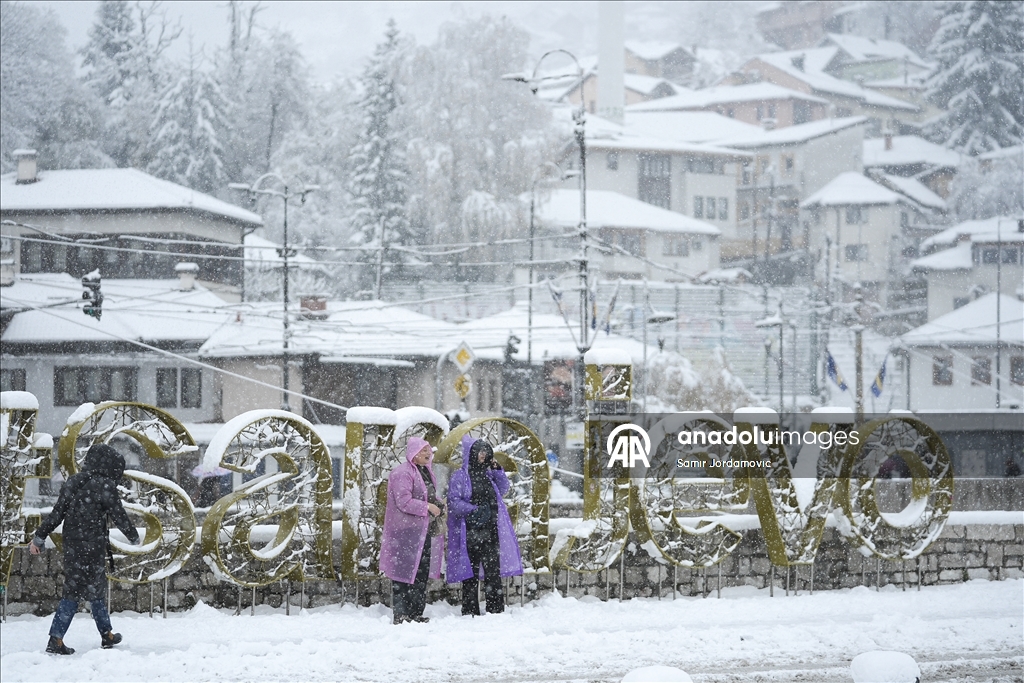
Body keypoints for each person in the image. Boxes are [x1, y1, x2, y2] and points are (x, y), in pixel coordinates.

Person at [30, 443, 140, 655]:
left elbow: (57, 513)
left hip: (72, 544)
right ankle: (62, 638)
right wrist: (133, 536)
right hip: (93, 546)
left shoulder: (74, 481)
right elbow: (119, 515)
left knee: (80, 587)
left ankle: (100, 634)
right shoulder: (106, 485)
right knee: (92, 588)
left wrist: (40, 536)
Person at [446, 435, 523, 616]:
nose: (483, 455)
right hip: (470, 531)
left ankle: (495, 609)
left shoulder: (488, 474)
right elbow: (454, 502)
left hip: (490, 530)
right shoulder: (460, 476)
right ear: (471, 453)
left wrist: (497, 471)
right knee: (470, 572)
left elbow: (503, 489)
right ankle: (470, 609)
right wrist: (474, 510)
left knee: (493, 570)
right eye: (480, 451)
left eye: (486, 451)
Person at [379, 437, 444, 625]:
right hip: (405, 532)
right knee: (404, 573)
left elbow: (427, 495)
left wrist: (438, 503)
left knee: (420, 573)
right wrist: (428, 507)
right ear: (413, 454)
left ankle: (416, 613)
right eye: (424, 450)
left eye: (429, 450)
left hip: (422, 531)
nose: (428, 453)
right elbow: (403, 502)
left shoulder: (425, 471)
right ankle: (402, 614)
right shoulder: (403, 473)